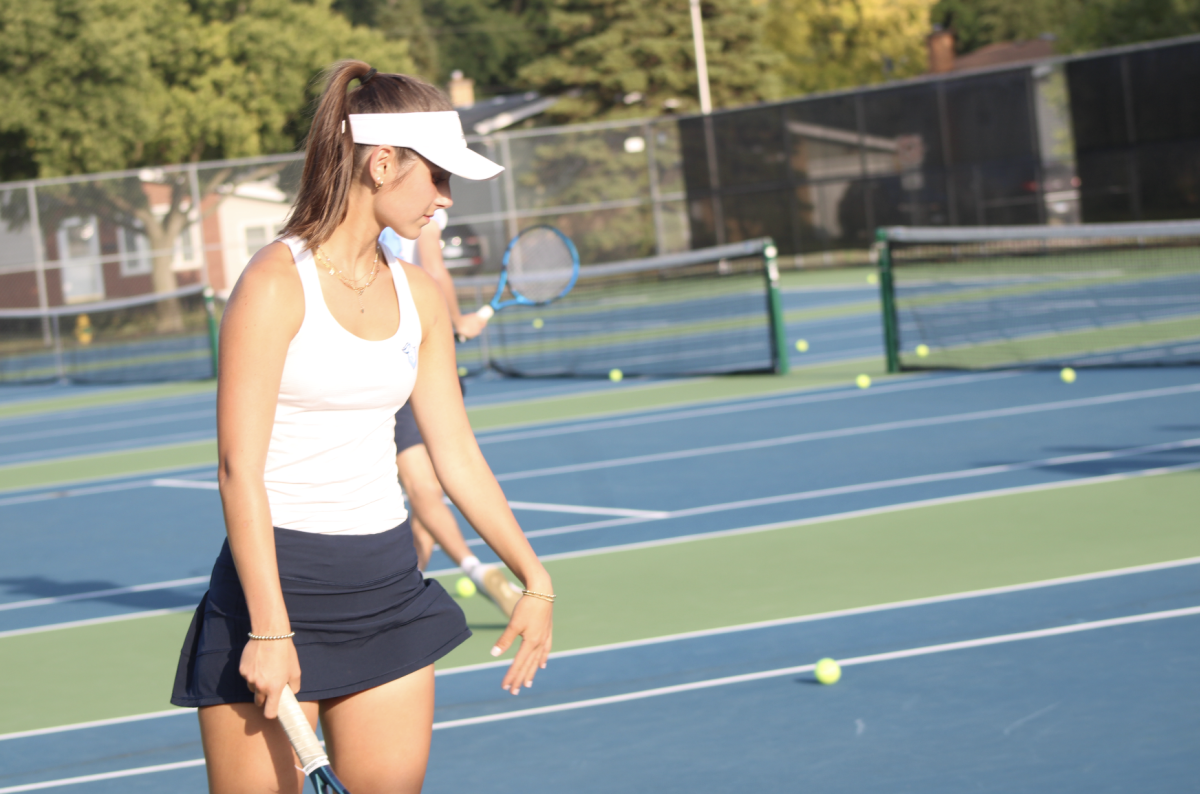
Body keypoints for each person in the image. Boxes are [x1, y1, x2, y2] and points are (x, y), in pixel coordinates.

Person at [170, 61, 554, 794]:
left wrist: (534, 576)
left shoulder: (418, 294)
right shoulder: (274, 282)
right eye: (437, 178)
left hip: (388, 591)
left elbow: (456, 452)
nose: (444, 201)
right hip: (273, 597)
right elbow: (237, 470)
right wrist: (271, 630)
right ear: (382, 164)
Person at [379, 216, 520, 616]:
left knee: (423, 492)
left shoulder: (398, 210)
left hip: (408, 358)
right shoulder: (416, 211)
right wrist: (455, 321)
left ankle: (451, 579)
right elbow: (435, 269)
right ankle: (451, 578)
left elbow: (432, 272)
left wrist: (452, 322)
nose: (445, 197)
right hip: (413, 357)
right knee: (425, 497)